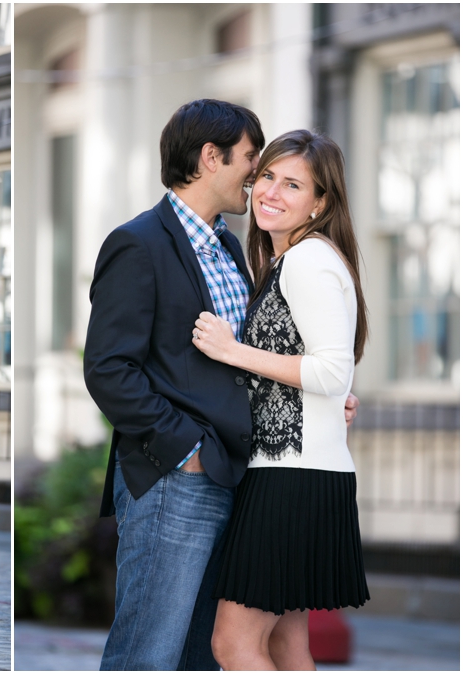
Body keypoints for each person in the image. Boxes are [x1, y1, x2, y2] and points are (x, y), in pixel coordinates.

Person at [83, 100, 359, 671]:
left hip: (243, 476)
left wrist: (314, 400)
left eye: (283, 178)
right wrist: (184, 450)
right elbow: (109, 369)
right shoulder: (138, 243)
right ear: (211, 158)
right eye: (253, 161)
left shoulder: (234, 247)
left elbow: (257, 360)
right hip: (176, 479)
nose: (258, 180)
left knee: (205, 655)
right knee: (149, 651)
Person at [192, 130, 370, 671]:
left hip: (290, 479)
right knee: (286, 647)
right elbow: (318, 372)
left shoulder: (309, 261)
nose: (271, 191)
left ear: (320, 202)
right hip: (304, 471)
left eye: (293, 184)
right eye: (267, 175)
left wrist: (232, 351)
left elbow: (332, 369)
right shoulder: (287, 261)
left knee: (234, 644)